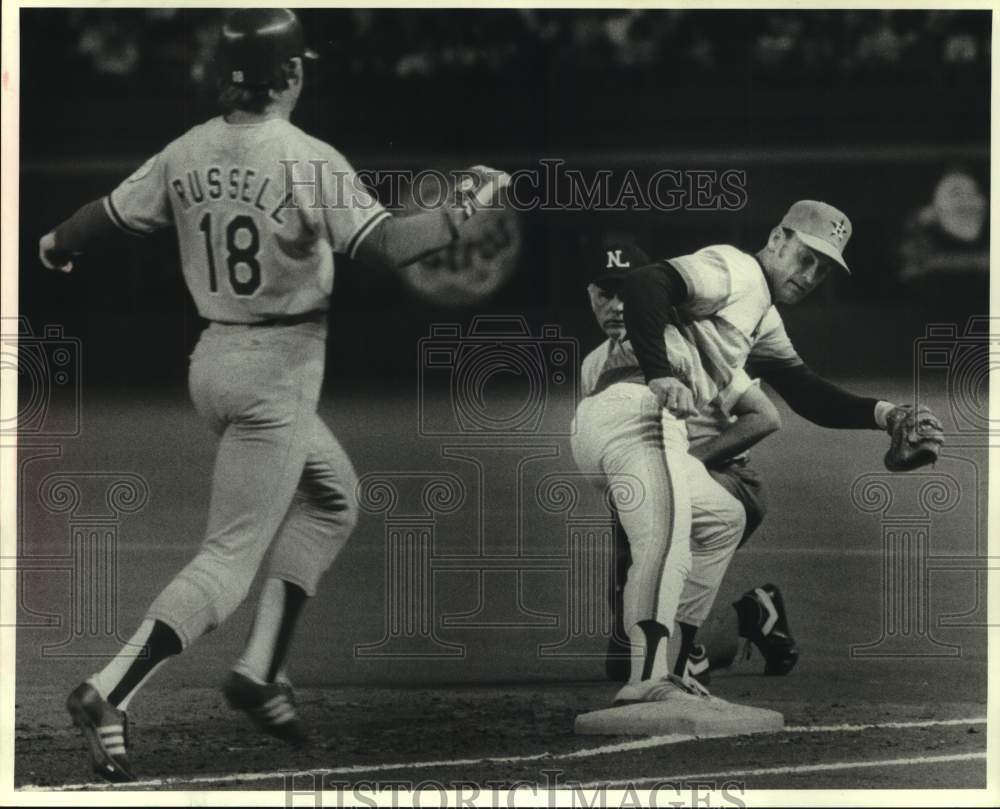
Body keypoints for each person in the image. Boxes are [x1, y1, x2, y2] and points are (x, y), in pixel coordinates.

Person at [38, 8, 509, 783]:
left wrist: (55, 244)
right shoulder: (306, 156)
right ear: (292, 72)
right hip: (277, 369)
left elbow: (105, 219)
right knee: (227, 560)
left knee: (333, 498)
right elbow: (390, 244)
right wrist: (463, 210)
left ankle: (260, 670)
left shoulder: (187, 147)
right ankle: (110, 689)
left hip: (213, 362)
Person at [601, 202, 944, 686]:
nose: (809, 275)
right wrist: (660, 376)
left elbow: (806, 392)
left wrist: (885, 415)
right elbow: (645, 283)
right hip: (673, 462)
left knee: (651, 652)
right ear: (778, 238)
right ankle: (753, 617)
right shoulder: (732, 270)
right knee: (626, 656)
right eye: (805, 257)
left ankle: (702, 643)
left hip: (718, 476)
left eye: (822, 271)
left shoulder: (762, 314)